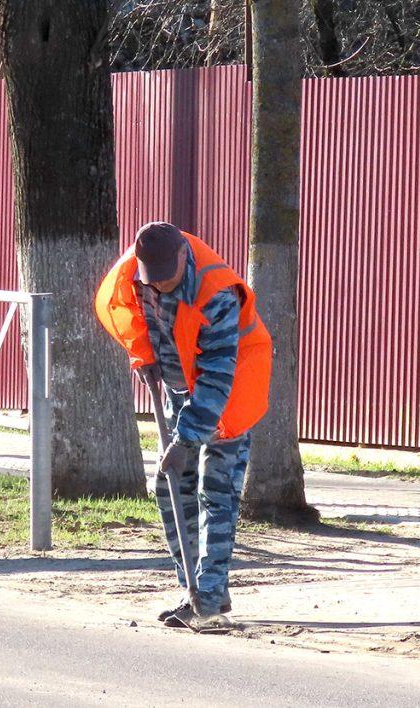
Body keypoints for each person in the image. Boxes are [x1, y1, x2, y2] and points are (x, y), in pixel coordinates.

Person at [94, 221, 273, 633]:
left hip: (231, 385)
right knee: (170, 485)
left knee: (216, 488)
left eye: (166, 280)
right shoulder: (138, 274)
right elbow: (130, 317)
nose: (157, 288)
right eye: (149, 281)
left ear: (182, 257)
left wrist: (187, 439)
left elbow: (216, 377)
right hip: (180, 385)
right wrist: (144, 357)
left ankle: (208, 600)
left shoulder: (217, 294)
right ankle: (194, 590)